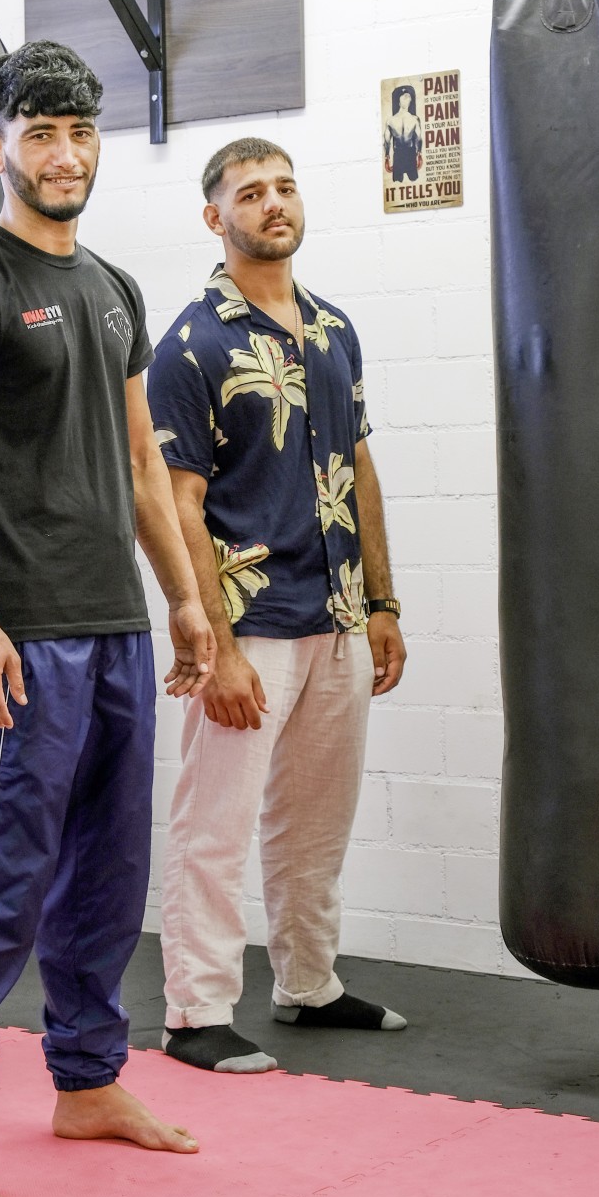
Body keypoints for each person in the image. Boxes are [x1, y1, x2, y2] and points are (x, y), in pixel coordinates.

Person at [0, 41, 216, 1197]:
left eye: (79, 131)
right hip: (20, 633)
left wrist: (183, 596)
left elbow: (142, 457)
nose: (63, 152)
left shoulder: (115, 288)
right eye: (39, 131)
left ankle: (87, 1080)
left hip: (115, 626)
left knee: (104, 877)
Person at [148, 136, 407, 1077]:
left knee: (315, 821)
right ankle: (194, 1011)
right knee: (213, 823)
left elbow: (359, 465)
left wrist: (380, 599)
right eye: (249, 193)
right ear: (215, 217)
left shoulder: (334, 328)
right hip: (249, 620)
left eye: (285, 187)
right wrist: (212, 645)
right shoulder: (189, 342)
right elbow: (175, 503)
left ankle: (308, 984)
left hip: (337, 613)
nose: (273, 203)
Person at [383, 84, 423, 182]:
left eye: (409, 97)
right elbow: (387, 141)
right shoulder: (390, 120)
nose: (408, 99)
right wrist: (386, 157)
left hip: (410, 154)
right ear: (398, 101)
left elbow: (419, 139)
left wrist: (419, 154)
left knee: (414, 183)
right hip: (398, 156)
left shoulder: (415, 119)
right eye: (405, 97)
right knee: (397, 185)